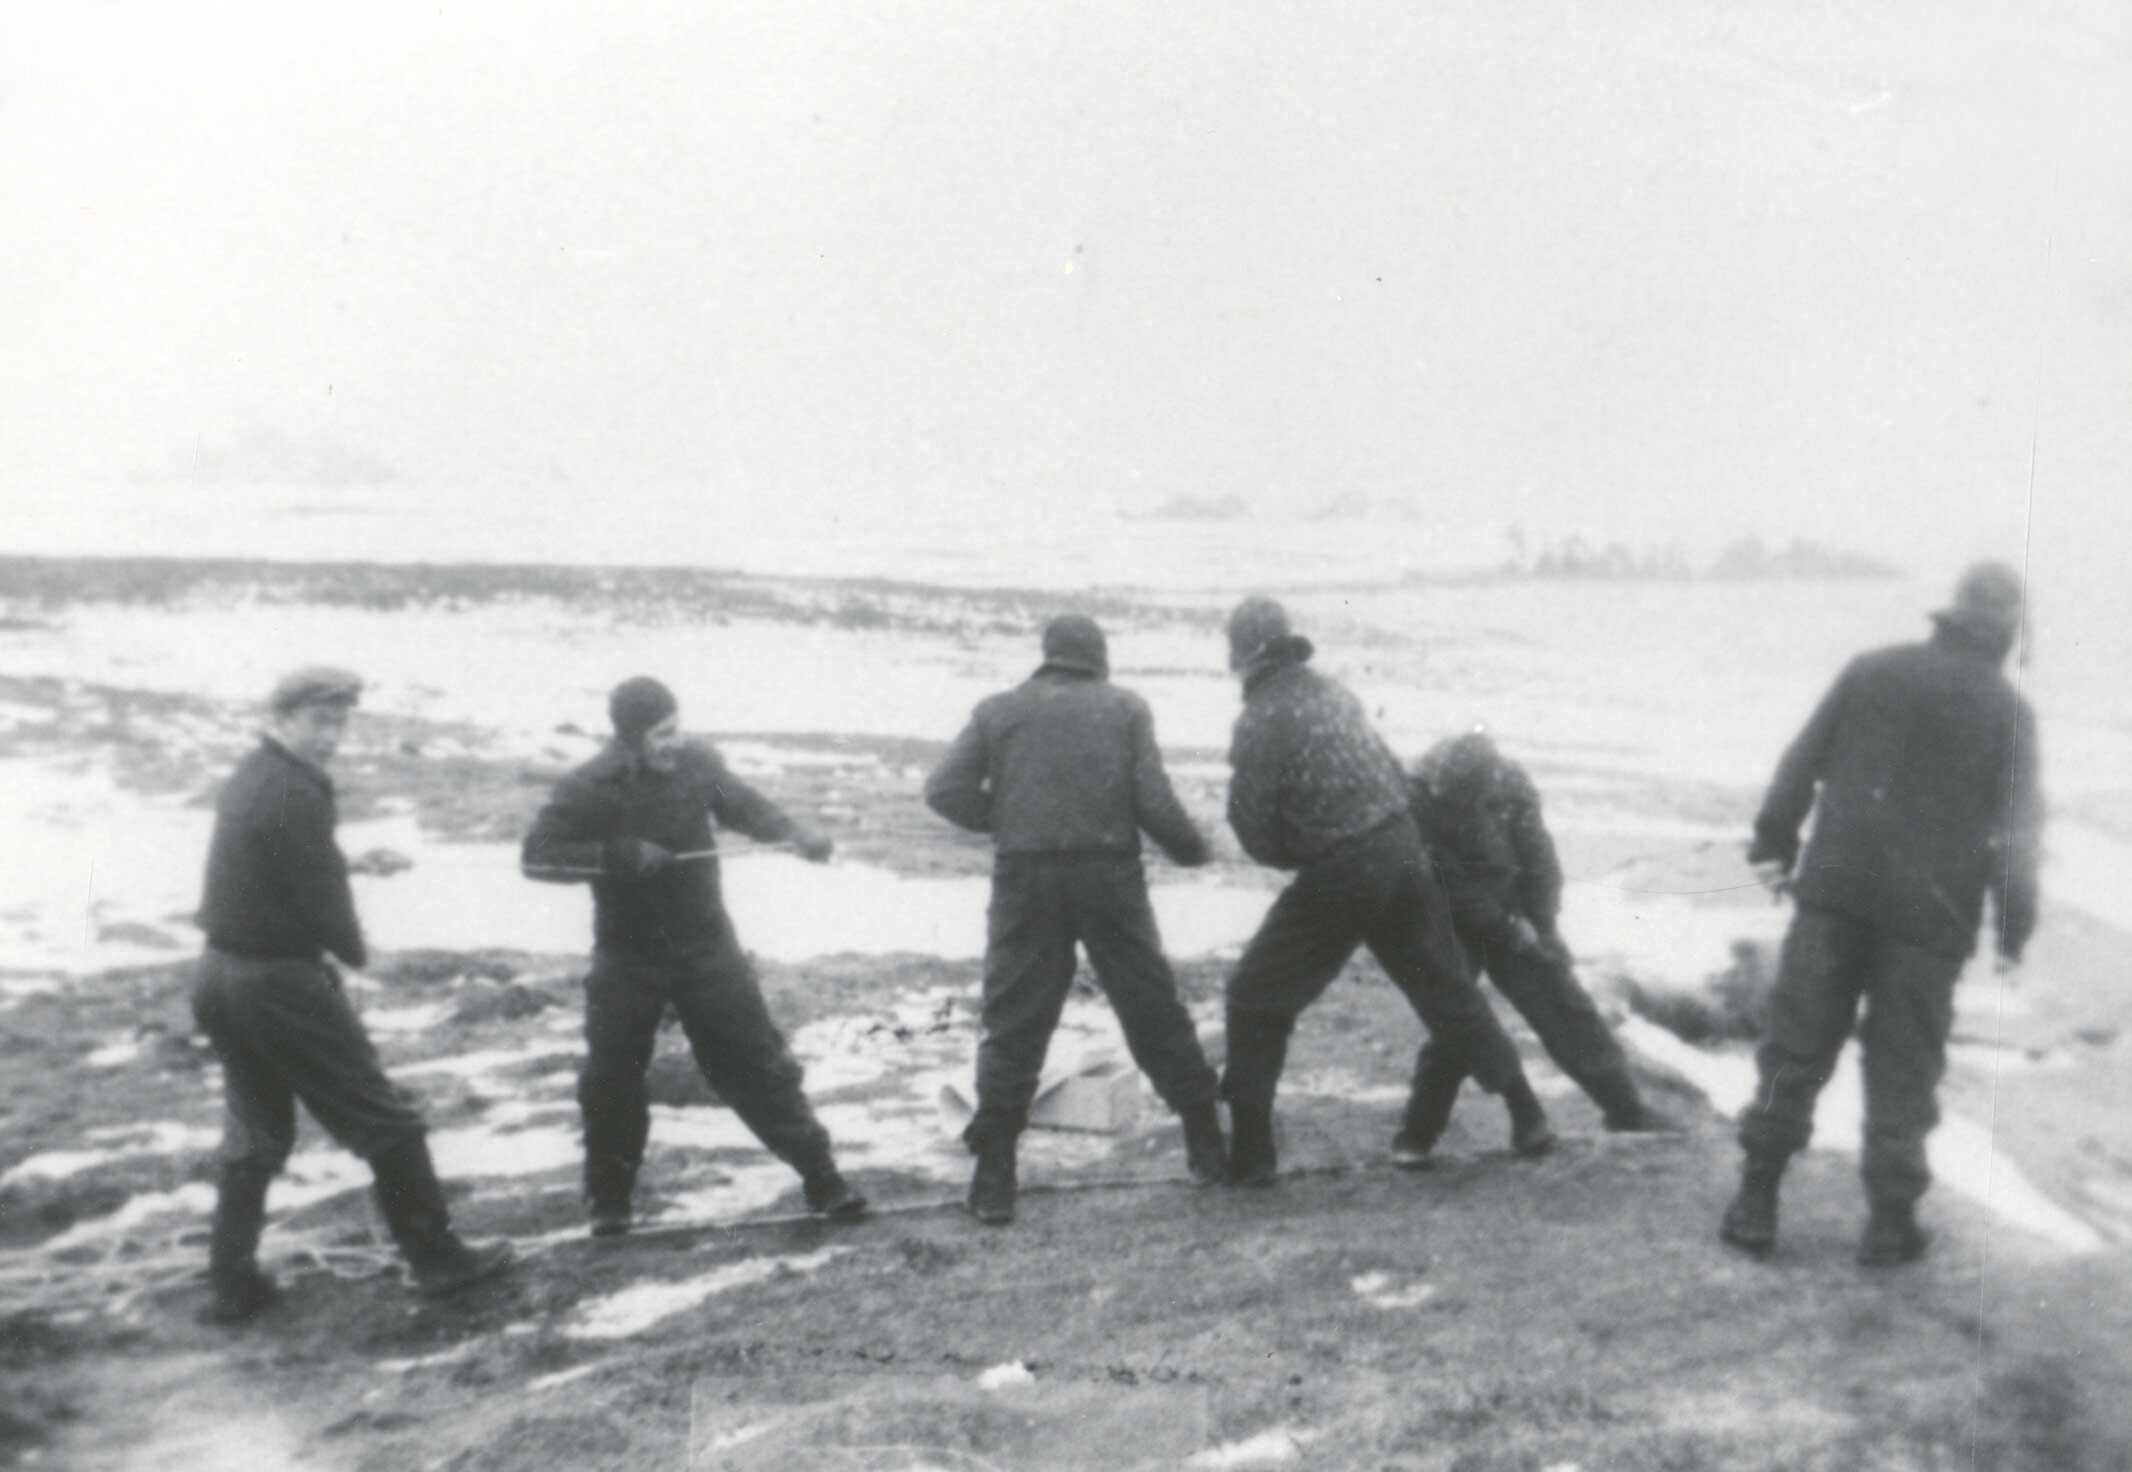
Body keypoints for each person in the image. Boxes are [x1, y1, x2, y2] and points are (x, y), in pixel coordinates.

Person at [1721, 562, 2042, 1266]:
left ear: (1947, 614)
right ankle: (1890, 1224)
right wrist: (2014, 932)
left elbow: (1801, 759)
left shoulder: (1871, 671)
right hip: (1930, 923)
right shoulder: (2011, 715)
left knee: (1797, 1048)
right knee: (1904, 1069)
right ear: (2009, 632)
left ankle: (1755, 1203)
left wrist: (1773, 843)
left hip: (1836, 895)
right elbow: (2018, 837)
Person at [192, 667, 514, 1325]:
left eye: (339, 722)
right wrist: (353, 955)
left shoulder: (254, 776)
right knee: (386, 1120)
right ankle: (440, 1262)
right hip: (277, 984)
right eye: (319, 721)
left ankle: (230, 1284)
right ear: (280, 717)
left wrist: (354, 862)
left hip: (220, 976)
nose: (331, 736)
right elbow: (320, 902)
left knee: (255, 1133)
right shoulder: (298, 790)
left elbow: (279, 861)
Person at [1219, 597, 1554, 1184]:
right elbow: (1391, 773)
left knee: (1254, 997)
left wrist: (1300, 850)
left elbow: (1252, 829)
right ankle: (1527, 1113)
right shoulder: (1336, 693)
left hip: (1342, 868)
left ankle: (1251, 1155)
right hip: (1403, 849)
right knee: (1448, 992)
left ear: (1244, 658)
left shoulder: (1260, 719)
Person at [522, 676, 866, 1238]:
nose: (672, 742)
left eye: (675, 728)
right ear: (629, 737)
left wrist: (793, 835)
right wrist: (618, 855)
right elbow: (537, 858)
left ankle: (824, 1180)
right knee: (612, 1078)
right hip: (628, 954)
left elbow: (745, 807)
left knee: (758, 1064)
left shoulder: (698, 765)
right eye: (660, 734)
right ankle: (609, 1203)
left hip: (706, 946)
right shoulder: (589, 786)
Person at [925, 615, 1229, 1225]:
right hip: (1108, 879)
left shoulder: (997, 711)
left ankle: (994, 1178)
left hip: (1025, 879)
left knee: (1013, 1022)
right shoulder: (1124, 709)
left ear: (1047, 656)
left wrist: (1006, 819)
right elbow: (1154, 802)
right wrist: (1195, 851)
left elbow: (943, 790)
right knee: (1150, 1008)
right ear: (1100, 659)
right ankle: (1206, 1145)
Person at [1396, 731, 1677, 1163]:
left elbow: (1538, 856)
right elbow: (1446, 882)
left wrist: (1542, 927)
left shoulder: (1510, 782)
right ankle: (1417, 1136)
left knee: (1563, 1001)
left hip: (1513, 903)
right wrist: (1506, 928)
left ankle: (1625, 1110)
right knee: (1459, 1015)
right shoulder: (1415, 797)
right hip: (1447, 914)